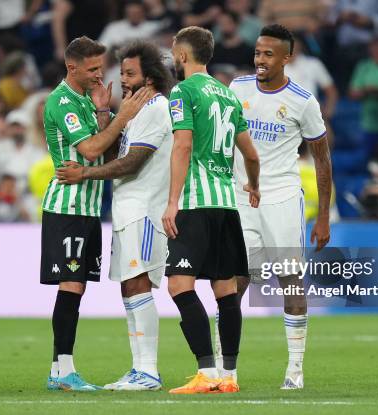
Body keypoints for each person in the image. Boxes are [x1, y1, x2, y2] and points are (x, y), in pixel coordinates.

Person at [55, 40, 174, 391]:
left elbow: (132, 162)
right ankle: (139, 369)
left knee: (139, 285)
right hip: (126, 210)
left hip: (145, 211)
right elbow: (114, 159)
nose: (122, 79)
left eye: (129, 73)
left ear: (150, 78)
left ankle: (148, 370)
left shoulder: (157, 108)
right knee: (129, 287)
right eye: (120, 72)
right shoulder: (134, 112)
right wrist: (107, 115)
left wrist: (84, 174)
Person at [226, 24, 332, 390]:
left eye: (269, 54)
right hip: (241, 197)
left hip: (283, 197)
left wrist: (322, 218)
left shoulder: (303, 101)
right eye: (257, 52)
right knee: (236, 281)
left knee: (289, 278)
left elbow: (322, 159)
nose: (260, 60)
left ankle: (295, 370)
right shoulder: (237, 89)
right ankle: (227, 371)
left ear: (288, 58)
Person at [162, 26, 260, 394]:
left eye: (174, 51)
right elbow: (251, 153)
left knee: (179, 285)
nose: (173, 57)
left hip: (195, 202)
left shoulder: (183, 92)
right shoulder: (228, 95)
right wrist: (254, 184)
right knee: (225, 290)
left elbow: (182, 146)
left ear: (183, 56)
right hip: (226, 203)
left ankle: (206, 372)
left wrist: (172, 201)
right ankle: (229, 375)